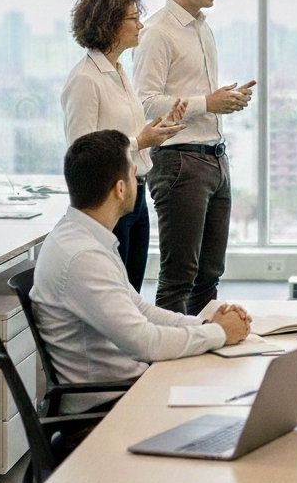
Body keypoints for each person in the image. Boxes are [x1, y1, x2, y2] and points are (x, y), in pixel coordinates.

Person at [31, 130, 251, 412]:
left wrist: (206, 326)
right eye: (135, 174)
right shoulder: (84, 258)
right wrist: (219, 334)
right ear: (120, 189)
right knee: (228, 405)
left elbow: (141, 311)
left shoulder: (83, 237)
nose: (140, 182)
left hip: (127, 390)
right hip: (107, 409)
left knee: (228, 391)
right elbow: (144, 343)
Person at [133, 0, 255, 314]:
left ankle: (206, 351)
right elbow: (145, 104)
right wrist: (208, 104)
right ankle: (169, 370)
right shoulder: (157, 33)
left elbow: (191, 95)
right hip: (179, 162)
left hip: (214, 159)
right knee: (179, 278)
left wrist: (221, 100)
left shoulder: (201, 28)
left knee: (210, 275)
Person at [62, 0, 187, 292]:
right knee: (116, 294)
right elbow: (81, 150)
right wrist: (140, 141)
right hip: (108, 202)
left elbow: (124, 131)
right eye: (133, 18)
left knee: (131, 292)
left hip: (135, 195)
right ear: (110, 24)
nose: (140, 25)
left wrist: (158, 126)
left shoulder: (118, 71)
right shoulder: (84, 79)